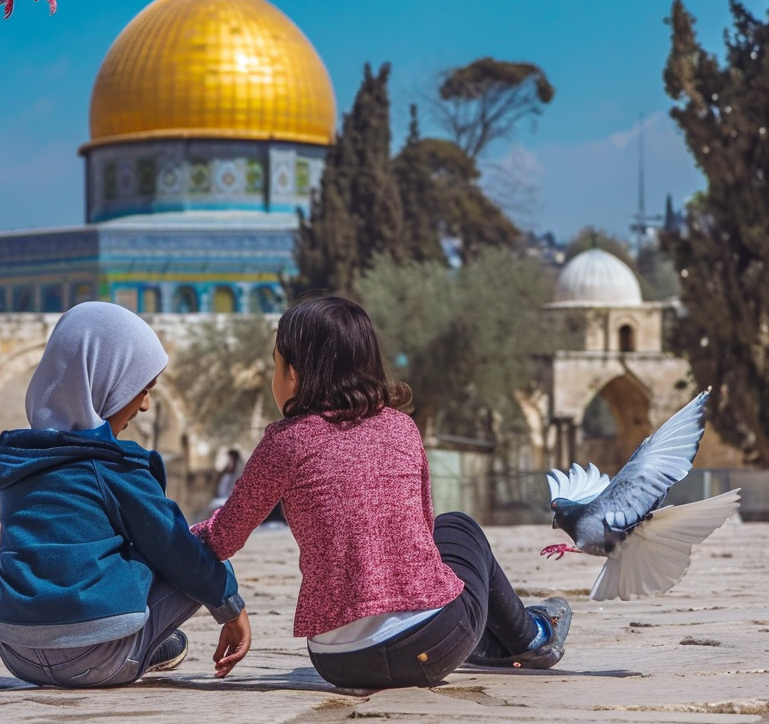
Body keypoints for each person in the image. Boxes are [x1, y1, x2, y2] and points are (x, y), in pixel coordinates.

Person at [192, 295, 571, 689]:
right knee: (458, 527)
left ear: (294, 372)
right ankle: (532, 637)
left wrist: (167, 541)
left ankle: (505, 640)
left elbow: (222, 538)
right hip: (435, 642)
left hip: (339, 661)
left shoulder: (284, 442)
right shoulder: (402, 429)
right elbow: (425, 533)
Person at [0, 302, 251, 687]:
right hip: (99, 659)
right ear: (104, 382)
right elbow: (175, 549)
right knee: (196, 550)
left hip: (16, 652)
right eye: (142, 388)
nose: (146, 405)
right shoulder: (113, 465)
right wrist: (230, 607)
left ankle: (149, 643)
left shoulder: (16, 461)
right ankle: (142, 646)